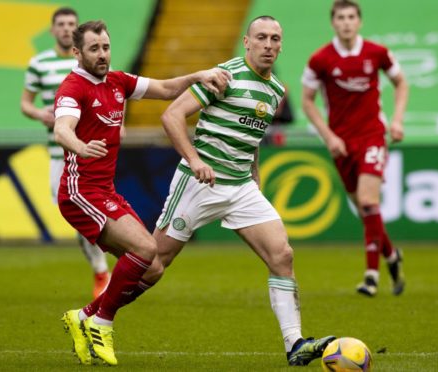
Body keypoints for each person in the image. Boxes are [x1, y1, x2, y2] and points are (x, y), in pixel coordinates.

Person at [133, 16, 335, 366]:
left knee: (282, 255)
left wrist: (254, 175)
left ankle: (295, 344)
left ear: (281, 45)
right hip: (200, 183)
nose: (269, 44)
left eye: (275, 38)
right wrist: (195, 160)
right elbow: (171, 115)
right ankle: (98, 313)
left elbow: (250, 136)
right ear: (247, 41)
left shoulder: (276, 91)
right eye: (261, 37)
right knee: (154, 265)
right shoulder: (223, 76)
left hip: (240, 187)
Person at [54, 20, 231, 366]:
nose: (103, 54)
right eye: (94, 49)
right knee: (147, 247)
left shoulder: (118, 81)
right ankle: (102, 324)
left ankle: (85, 315)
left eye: (105, 47)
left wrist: (197, 75)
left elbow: (165, 89)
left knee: (152, 268)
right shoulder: (73, 88)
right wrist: (79, 146)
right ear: (77, 53)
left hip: (104, 191)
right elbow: (62, 128)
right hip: (80, 192)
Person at [301, 0, 409, 297]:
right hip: (341, 143)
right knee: (365, 211)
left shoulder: (377, 53)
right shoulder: (320, 59)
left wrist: (397, 120)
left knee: (367, 201)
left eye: (351, 17)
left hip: (373, 135)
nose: (346, 22)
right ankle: (391, 255)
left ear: (359, 21)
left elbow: (401, 83)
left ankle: (371, 275)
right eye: (340, 18)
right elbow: (307, 100)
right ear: (333, 22)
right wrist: (328, 137)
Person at [20, 7, 111, 298]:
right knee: (75, 213)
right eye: (60, 24)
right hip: (59, 152)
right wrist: (39, 114)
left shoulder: (89, 61)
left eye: (71, 23)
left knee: (92, 209)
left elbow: (109, 93)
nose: (65, 27)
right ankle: (102, 266)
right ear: (52, 30)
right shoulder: (39, 63)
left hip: (92, 151)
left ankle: (102, 272)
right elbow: (26, 103)